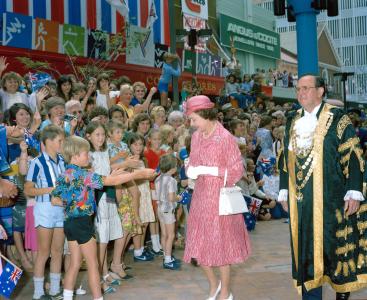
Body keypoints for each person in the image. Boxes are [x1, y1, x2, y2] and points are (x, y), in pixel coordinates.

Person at [278, 74, 367, 300]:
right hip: (302, 203)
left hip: (333, 200)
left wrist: (354, 190)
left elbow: (354, 155)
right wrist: (283, 190)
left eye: (306, 88)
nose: (301, 93)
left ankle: (341, 294)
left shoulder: (338, 118)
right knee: (306, 253)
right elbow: (284, 159)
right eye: (298, 89)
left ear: (321, 91)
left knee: (337, 252)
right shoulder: (292, 120)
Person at [50, 136, 155, 300]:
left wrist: (73, 200)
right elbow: (110, 181)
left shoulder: (64, 175)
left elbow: (54, 200)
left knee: (75, 263)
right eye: (86, 153)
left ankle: (67, 297)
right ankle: (98, 297)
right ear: (75, 155)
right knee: (93, 264)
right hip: (83, 222)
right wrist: (140, 173)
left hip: (69, 223)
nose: (89, 157)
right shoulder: (83, 174)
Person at [183, 95, 251, 300]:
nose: (192, 124)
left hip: (220, 200)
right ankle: (214, 285)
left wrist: (211, 170)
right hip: (201, 198)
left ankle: (226, 292)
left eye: (194, 119)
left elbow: (237, 170)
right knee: (198, 244)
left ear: (205, 115)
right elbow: (193, 162)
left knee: (221, 249)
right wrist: (190, 169)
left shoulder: (225, 138)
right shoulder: (196, 137)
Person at [24, 125, 66, 300]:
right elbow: (28, 190)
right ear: (48, 142)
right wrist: (51, 190)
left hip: (61, 209)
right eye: (60, 141)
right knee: (43, 252)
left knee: (58, 251)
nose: (62, 143)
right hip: (44, 209)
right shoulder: (36, 162)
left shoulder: (63, 160)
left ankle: (55, 289)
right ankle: (38, 292)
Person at [155, 154, 181, 270]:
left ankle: (166, 255)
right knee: (171, 235)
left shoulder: (158, 178)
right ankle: (168, 260)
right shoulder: (171, 180)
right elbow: (171, 198)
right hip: (168, 210)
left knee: (164, 234)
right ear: (173, 168)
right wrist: (178, 198)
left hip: (160, 209)